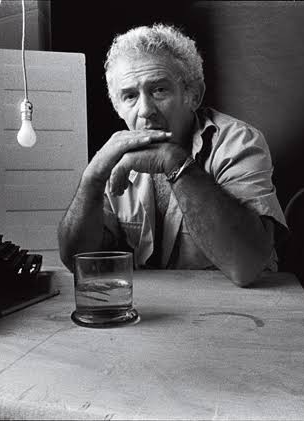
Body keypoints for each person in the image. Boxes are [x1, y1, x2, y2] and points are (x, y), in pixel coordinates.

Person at [57, 23, 287, 286]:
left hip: (240, 307)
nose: (145, 110)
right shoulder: (115, 156)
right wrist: (92, 179)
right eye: (130, 96)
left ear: (194, 96)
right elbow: (81, 263)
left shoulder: (238, 142)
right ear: (118, 108)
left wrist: (174, 161)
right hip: (159, 307)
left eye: (159, 90)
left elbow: (246, 266)